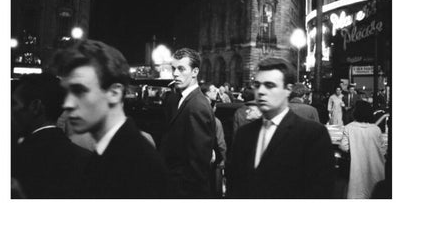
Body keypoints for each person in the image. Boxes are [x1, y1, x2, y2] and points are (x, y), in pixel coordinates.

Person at [53, 39, 168, 198]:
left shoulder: (137, 164)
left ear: (114, 93)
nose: (67, 104)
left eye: (79, 91)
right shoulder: (113, 151)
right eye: (67, 92)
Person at [228, 58, 335, 198]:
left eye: (270, 85)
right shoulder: (244, 134)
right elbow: (235, 186)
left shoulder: (312, 135)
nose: (260, 91)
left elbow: (319, 192)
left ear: (288, 90)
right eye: (257, 85)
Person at [12, 73, 92, 198]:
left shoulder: (18, 157)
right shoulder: (86, 159)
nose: (11, 110)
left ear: (35, 107)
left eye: (14, 103)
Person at [160, 48, 216, 198]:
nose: (175, 73)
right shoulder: (180, 98)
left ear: (195, 72)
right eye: (174, 68)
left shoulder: (198, 106)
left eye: (181, 69)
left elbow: (198, 164)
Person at [339, 100, 387, 199]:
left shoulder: (349, 128)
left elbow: (343, 147)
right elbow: (383, 150)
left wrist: (355, 148)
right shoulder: (376, 129)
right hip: (376, 168)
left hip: (357, 167)